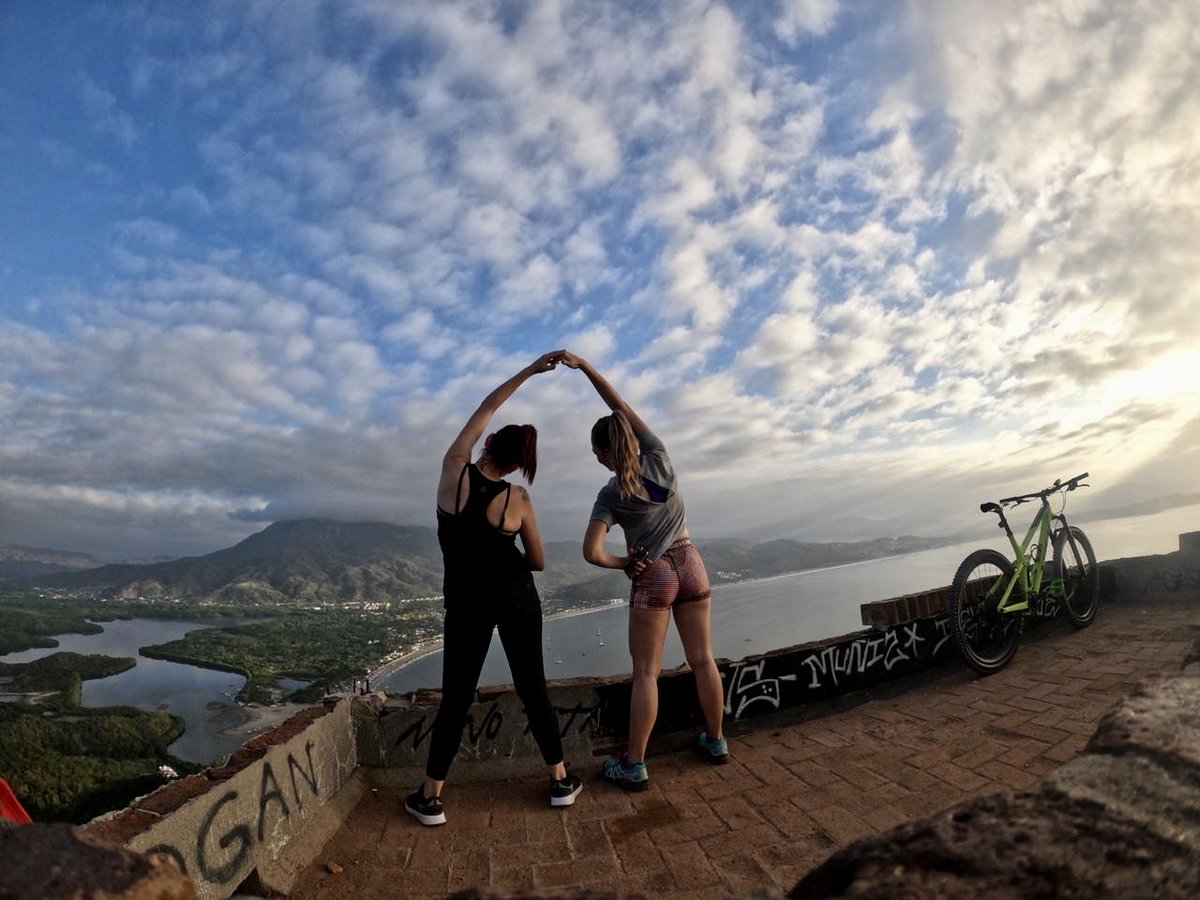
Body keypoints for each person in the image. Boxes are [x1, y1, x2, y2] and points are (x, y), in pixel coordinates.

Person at [405, 352, 583, 826]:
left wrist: (528, 371)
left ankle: (431, 797)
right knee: (533, 687)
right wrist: (505, 557)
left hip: (466, 603)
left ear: (487, 445)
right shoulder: (518, 499)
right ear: (516, 465)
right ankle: (561, 780)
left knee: (457, 694)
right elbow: (540, 562)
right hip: (517, 596)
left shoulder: (453, 473)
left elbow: (485, 406)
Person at [559, 351, 728, 791]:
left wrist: (624, 563)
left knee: (646, 673)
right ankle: (716, 740)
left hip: (654, 575)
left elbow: (591, 552)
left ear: (603, 452)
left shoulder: (610, 493)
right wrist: (588, 368)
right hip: (692, 563)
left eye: (597, 453)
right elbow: (620, 405)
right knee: (703, 659)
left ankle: (634, 764)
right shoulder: (659, 457)